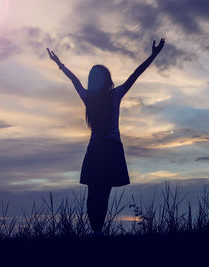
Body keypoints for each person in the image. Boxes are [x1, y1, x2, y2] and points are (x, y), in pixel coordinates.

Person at [47, 38, 165, 237]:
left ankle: (96, 232)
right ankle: (97, 233)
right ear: (107, 79)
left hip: (97, 149)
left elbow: (74, 79)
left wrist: (60, 64)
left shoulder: (90, 97)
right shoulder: (114, 95)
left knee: (94, 193)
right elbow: (134, 75)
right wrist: (153, 55)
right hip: (110, 148)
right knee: (102, 193)